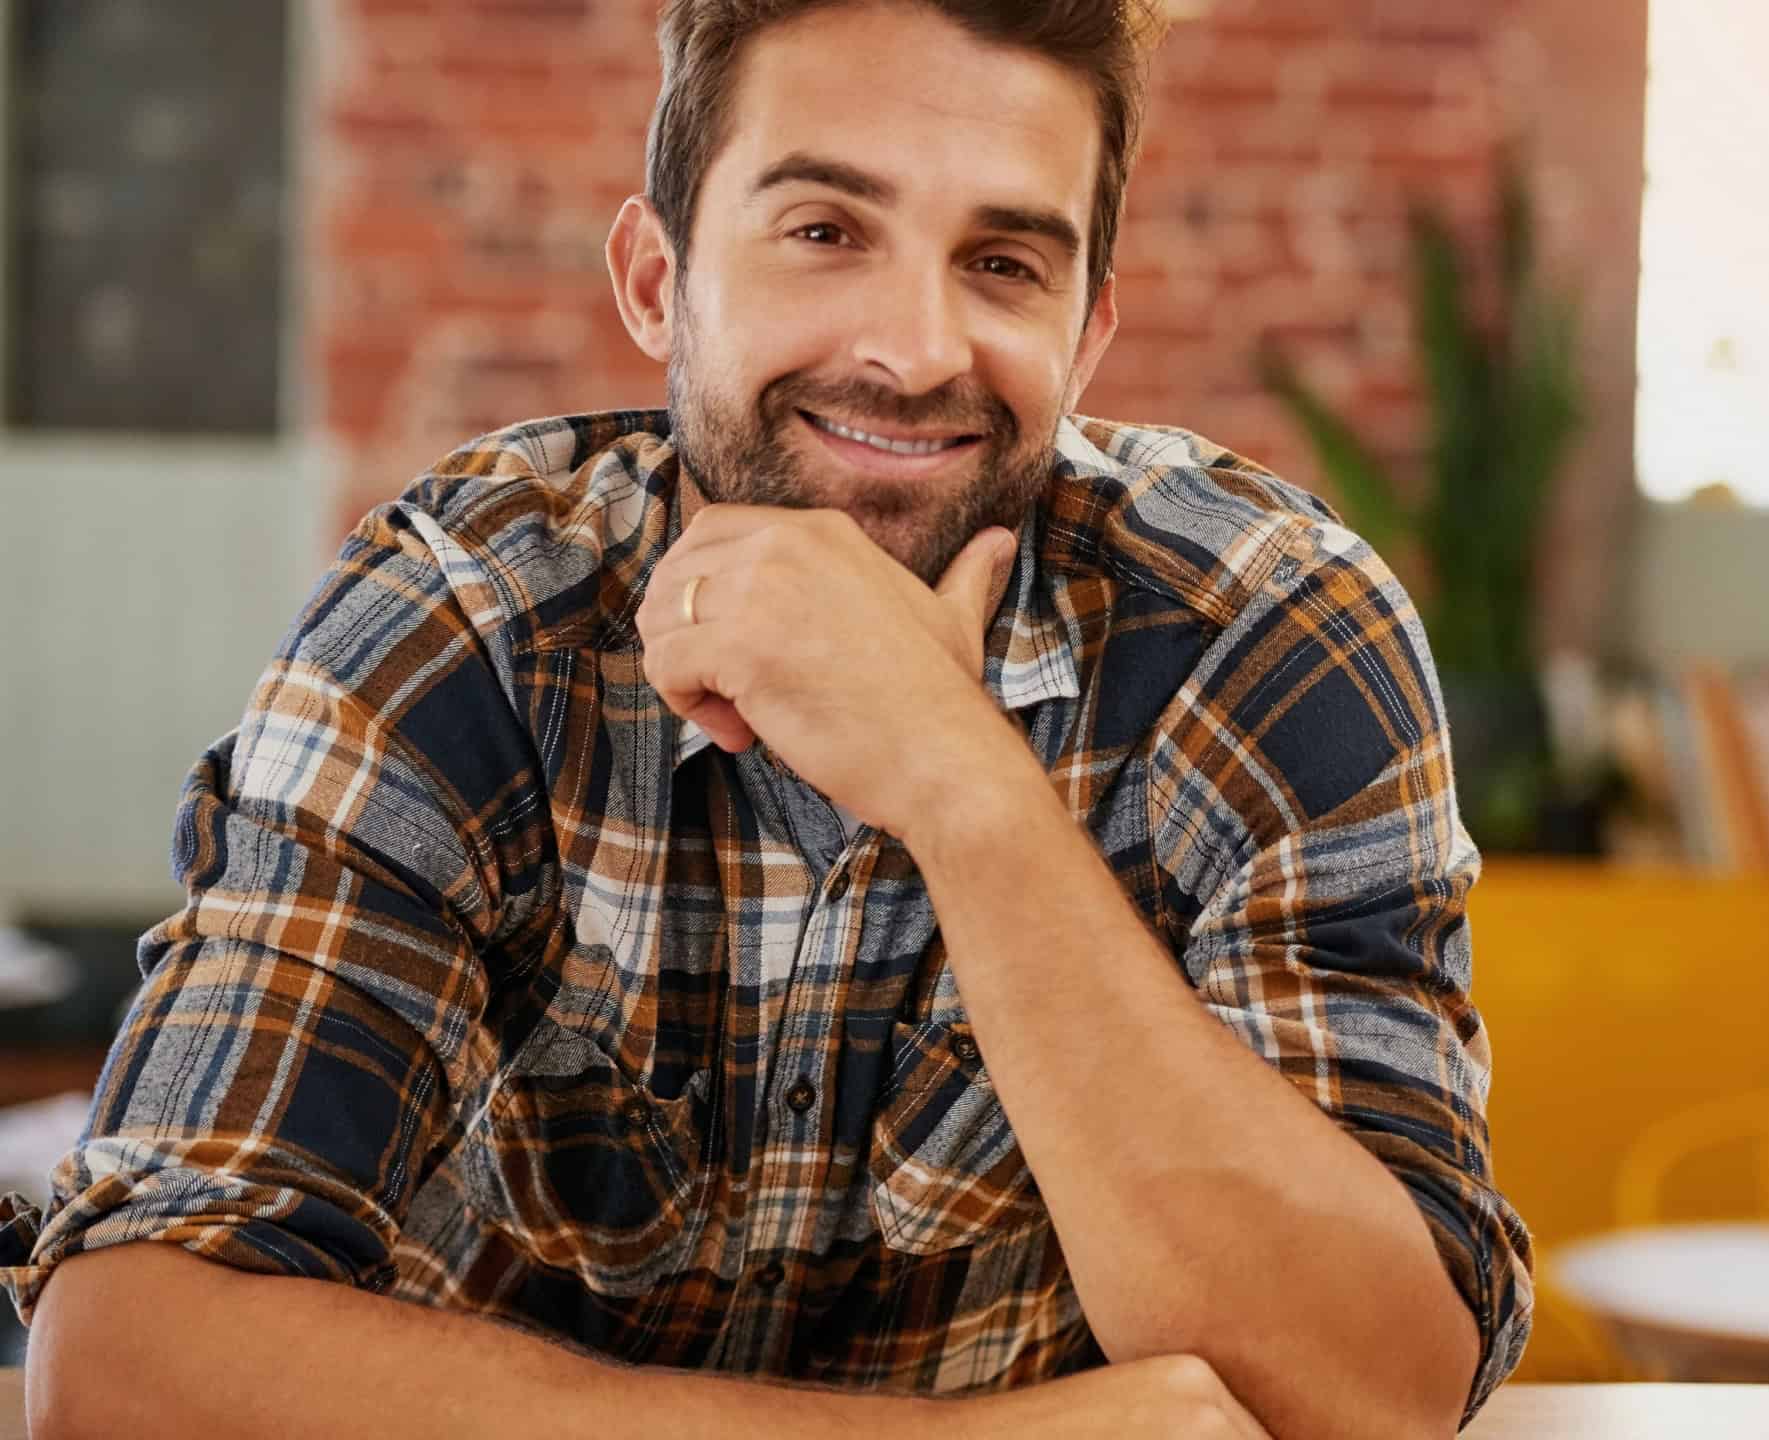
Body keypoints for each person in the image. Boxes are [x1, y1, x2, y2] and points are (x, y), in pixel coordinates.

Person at [2, 1, 1532, 1436]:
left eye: (1004, 262)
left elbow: (1380, 1391)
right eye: (824, 232)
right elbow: (124, 1362)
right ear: (655, 279)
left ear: (1089, 334)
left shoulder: (1261, 632)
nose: (915, 350)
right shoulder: (468, 619)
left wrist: (960, 785)